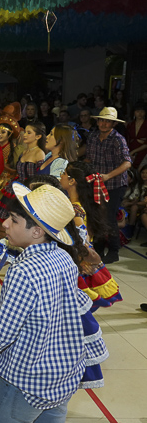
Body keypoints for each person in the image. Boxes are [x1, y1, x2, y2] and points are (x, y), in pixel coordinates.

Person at [0, 183, 95, 423]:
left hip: (24, 382)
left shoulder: (23, 270)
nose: (4, 224)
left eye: (14, 220)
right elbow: (47, 310)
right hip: (61, 376)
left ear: (36, 231)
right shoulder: (64, 259)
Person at [61, 161, 122, 309]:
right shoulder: (83, 205)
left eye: (63, 173)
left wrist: (81, 259)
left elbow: (82, 240)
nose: (60, 176)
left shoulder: (75, 210)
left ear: (72, 181)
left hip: (75, 263)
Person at [85, 107, 132, 264]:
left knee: (109, 217)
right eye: (102, 120)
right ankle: (98, 248)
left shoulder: (118, 139)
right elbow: (89, 159)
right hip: (97, 182)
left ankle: (113, 250)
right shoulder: (92, 137)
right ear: (98, 121)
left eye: (108, 121)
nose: (104, 124)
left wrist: (108, 176)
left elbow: (127, 163)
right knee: (97, 215)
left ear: (113, 124)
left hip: (115, 183)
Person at [0, 123, 46, 237]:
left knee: (17, 221)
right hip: (15, 187)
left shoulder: (39, 153)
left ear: (38, 136)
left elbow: (40, 177)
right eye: (25, 132)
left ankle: (10, 243)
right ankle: (4, 242)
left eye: (29, 133)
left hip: (28, 191)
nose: (25, 135)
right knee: (0, 218)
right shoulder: (24, 152)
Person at [126, 103, 147, 169]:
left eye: (142, 111)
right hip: (131, 149)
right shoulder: (130, 125)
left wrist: (133, 151)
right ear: (134, 112)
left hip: (144, 151)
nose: (140, 113)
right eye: (137, 111)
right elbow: (127, 139)